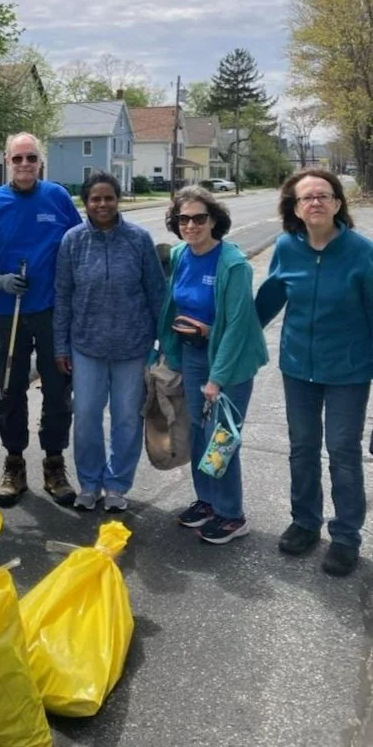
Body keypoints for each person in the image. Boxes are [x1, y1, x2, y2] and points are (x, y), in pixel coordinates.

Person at [256, 169, 373, 577]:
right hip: (298, 368)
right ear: (295, 208)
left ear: (339, 204)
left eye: (324, 195)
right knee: (302, 447)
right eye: (307, 198)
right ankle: (305, 521)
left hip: (349, 370)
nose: (316, 202)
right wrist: (226, 338)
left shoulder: (362, 252)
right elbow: (266, 301)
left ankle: (345, 536)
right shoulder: (287, 247)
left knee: (343, 451)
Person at [0, 132, 82, 507]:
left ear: (39, 161)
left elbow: (80, 243)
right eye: (18, 159)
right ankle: (14, 464)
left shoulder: (57, 197)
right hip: (7, 314)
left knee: (58, 391)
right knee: (11, 391)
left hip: (52, 313)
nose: (25, 165)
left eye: (31, 158)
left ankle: (54, 462)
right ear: (7, 161)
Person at [157, 186, 267, 544]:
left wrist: (217, 378)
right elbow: (170, 306)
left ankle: (232, 514)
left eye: (199, 218)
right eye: (183, 219)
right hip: (192, 354)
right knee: (198, 433)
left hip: (229, 359)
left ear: (214, 220)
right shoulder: (179, 255)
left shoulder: (232, 263)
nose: (191, 225)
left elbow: (237, 324)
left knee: (222, 438)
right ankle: (207, 502)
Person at [53, 171, 165, 512]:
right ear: (85, 203)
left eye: (108, 197)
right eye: (95, 199)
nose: (102, 204)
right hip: (86, 345)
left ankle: (117, 485)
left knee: (127, 418)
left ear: (118, 200)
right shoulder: (72, 241)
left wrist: (163, 345)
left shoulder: (139, 239)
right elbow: (63, 295)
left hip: (133, 346)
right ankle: (89, 484)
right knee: (86, 416)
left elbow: (157, 293)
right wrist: (60, 345)